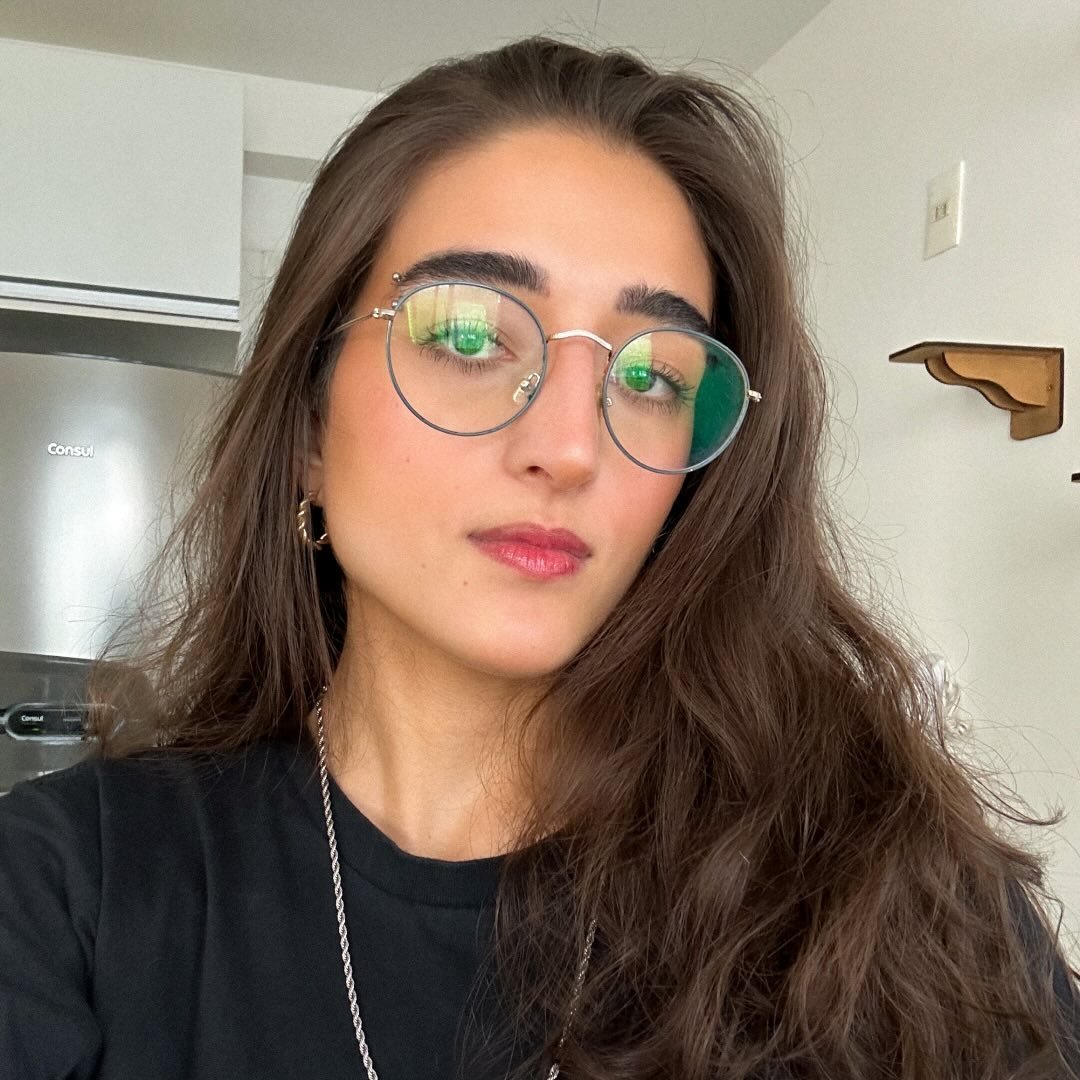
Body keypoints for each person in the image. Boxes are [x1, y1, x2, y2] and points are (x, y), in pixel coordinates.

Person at [0, 35, 1077, 1080]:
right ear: (309, 428)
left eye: (652, 376)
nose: (569, 447)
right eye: (468, 336)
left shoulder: (897, 907)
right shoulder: (64, 890)